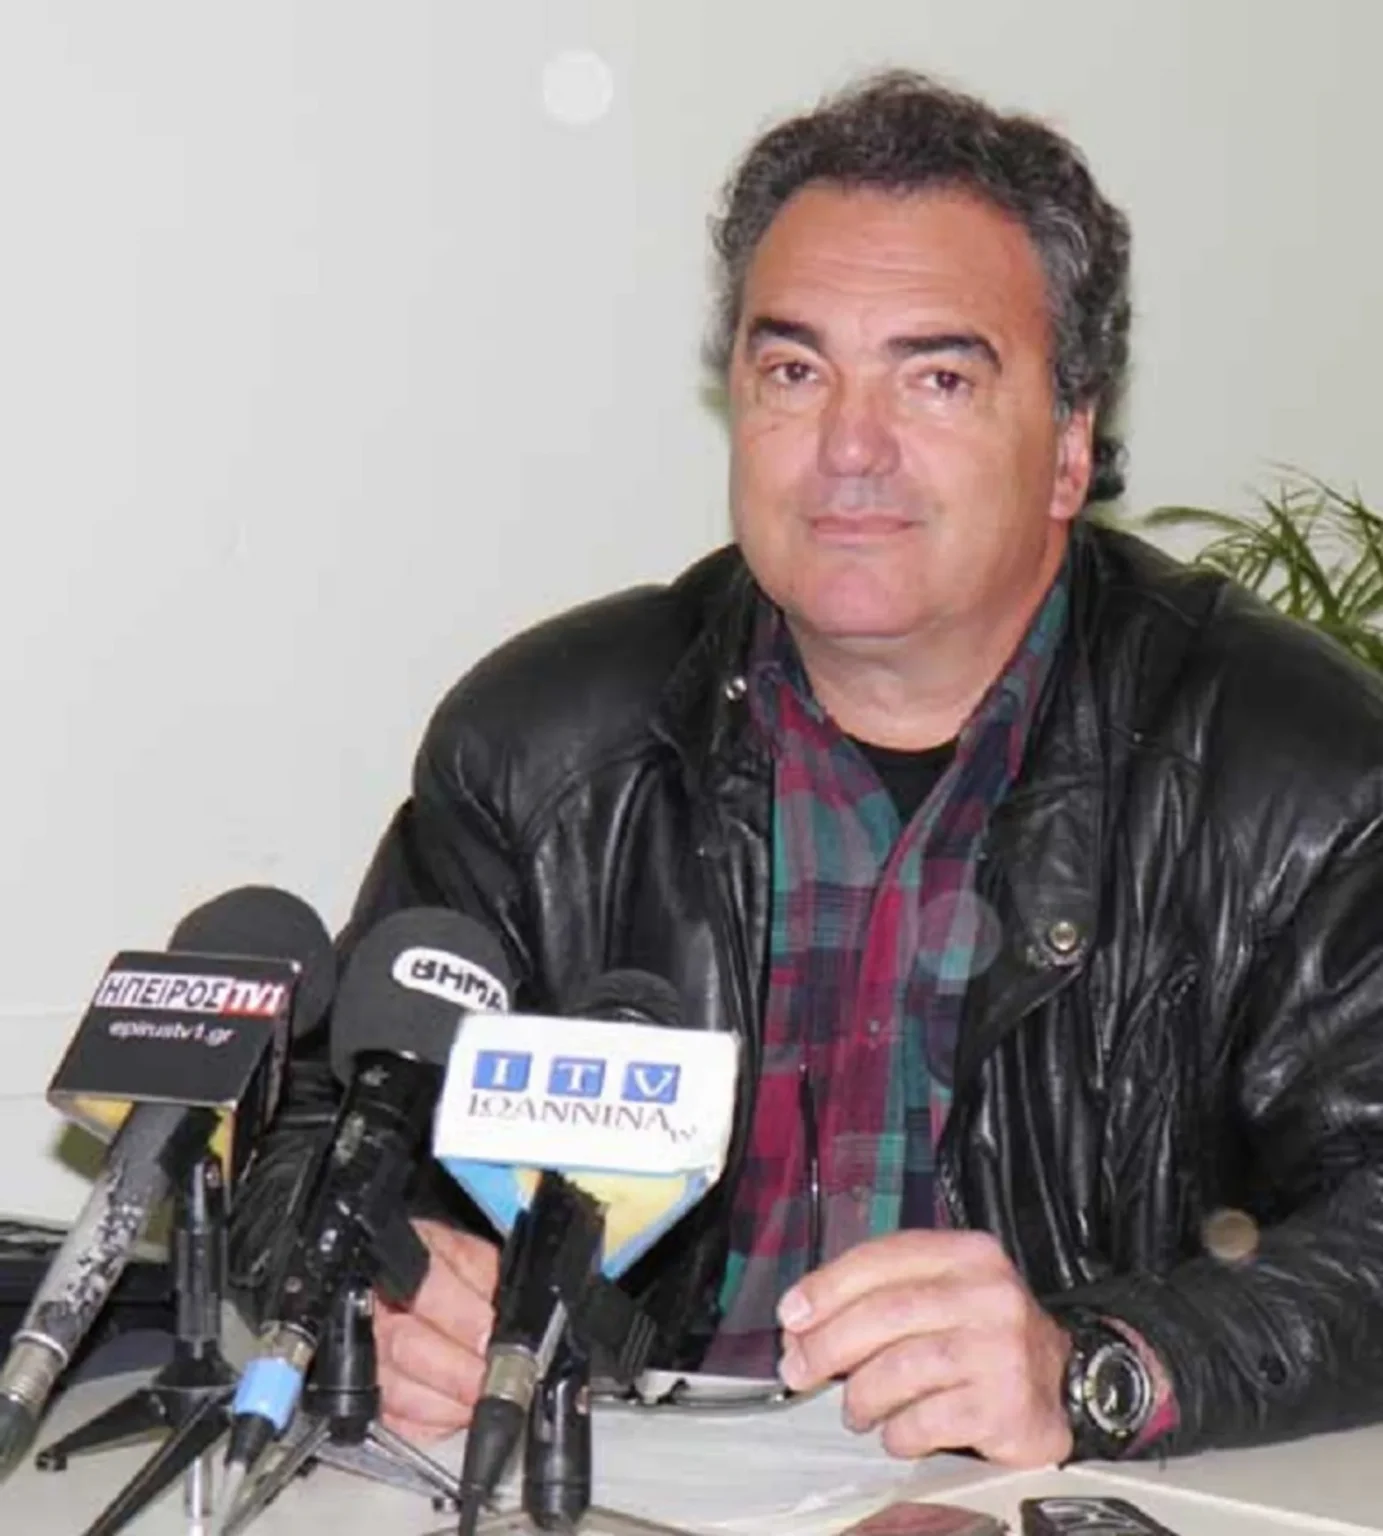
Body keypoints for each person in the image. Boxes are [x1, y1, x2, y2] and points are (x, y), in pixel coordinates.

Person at [230, 69, 1383, 1468]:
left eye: (936, 379)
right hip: (596, 1479)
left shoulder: (1291, 771)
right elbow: (314, 1130)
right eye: (794, 372)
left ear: (1070, 445)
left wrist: (1098, 1367)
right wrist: (377, 1276)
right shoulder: (543, 748)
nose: (848, 449)